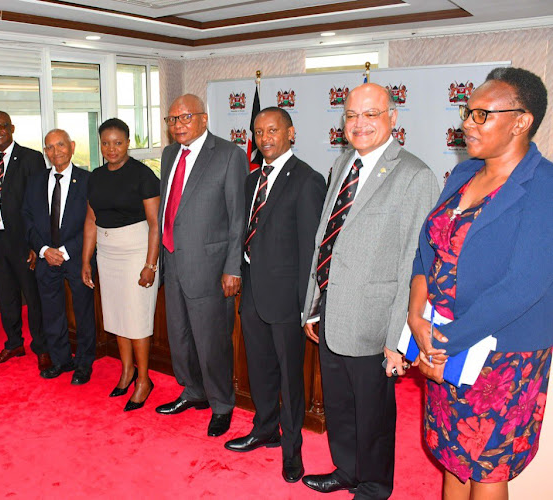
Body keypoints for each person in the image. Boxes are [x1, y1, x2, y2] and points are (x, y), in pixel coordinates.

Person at [409, 67, 552, 500]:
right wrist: (416, 317)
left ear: (521, 121)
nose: (467, 124)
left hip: (502, 354)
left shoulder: (543, 186)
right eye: (467, 113)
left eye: (481, 115)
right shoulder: (463, 174)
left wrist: (443, 342)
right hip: (439, 337)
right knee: (452, 455)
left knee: (488, 467)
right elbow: (426, 250)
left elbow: (523, 287)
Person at [301, 83, 439, 499]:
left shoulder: (415, 175)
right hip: (331, 312)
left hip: (375, 323)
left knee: (373, 414)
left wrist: (397, 341)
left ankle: (375, 486)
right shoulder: (343, 163)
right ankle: (346, 470)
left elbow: (413, 265)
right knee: (340, 407)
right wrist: (313, 304)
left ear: (393, 118)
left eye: (370, 114)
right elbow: (326, 239)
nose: (359, 124)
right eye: (351, 115)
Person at [224, 107, 325, 482]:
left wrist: (307, 307)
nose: (265, 138)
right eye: (258, 132)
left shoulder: (307, 180)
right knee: (260, 370)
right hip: (252, 295)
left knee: (289, 380)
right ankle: (264, 429)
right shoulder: (252, 181)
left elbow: (309, 251)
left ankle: (292, 449)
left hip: (287, 301)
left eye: (272, 130)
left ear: (290, 133)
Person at [155, 94, 247, 438]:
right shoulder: (168, 155)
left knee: (212, 342)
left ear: (204, 120)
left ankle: (222, 404)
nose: (178, 125)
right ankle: (193, 392)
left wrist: (233, 268)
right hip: (174, 261)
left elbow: (238, 218)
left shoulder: (228, 155)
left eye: (185, 118)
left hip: (210, 268)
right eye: (172, 120)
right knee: (180, 337)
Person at [81, 118, 160, 411]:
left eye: (118, 142)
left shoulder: (143, 175)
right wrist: (86, 259)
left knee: (137, 319)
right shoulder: (95, 177)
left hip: (137, 250)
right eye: (105, 143)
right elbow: (91, 220)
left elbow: (155, 225)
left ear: (128, 142)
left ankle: (144, 380)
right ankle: (126, 371)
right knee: (116, 317)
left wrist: (150, 264)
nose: (111, 148)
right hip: (107, 251)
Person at [22, 129, 96, 384]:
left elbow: (92, 222)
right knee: (51, 312)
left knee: (84, 312)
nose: (56, 152)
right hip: (45, 257)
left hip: (77, 259)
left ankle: (84, 364)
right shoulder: (35, 182)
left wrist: (64, 252)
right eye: (50, 147)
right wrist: (43, 250)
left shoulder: (88, 181)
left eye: (61, 145)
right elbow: (27, 219)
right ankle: (61, 360)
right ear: (45, 152)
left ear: (72, 146)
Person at [0, 111, 48, 372]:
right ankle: (14, 343)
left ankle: (42, 346)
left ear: (12, 128)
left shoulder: (31, 159)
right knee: (6, 298)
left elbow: (39, 206)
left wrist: (34, 245)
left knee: (33, 297)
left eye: (2, 126)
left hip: (23, 242)